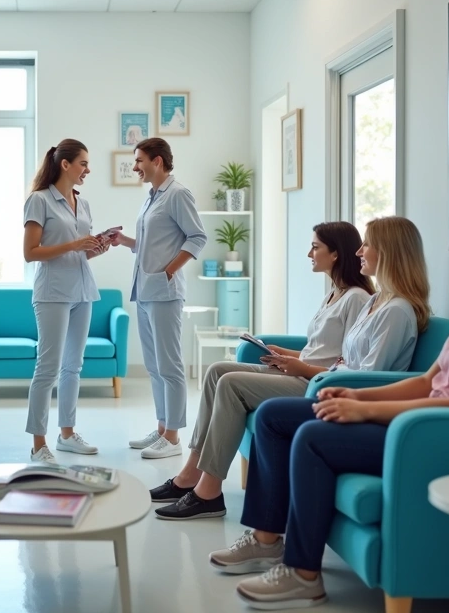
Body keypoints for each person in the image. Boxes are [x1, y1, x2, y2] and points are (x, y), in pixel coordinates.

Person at [210, 204, 449, 609]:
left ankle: (303, 573)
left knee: (312, 436)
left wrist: (367, 411)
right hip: (419, 423)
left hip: (438, 438)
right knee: (273, 417)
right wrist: (356, 395)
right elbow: (429, 381)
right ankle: (265, 539)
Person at [150, 221, 378, 519]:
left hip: (314, 383)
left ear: (335, 254)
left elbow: (346, 361)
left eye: (315, 247)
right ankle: (190, 472)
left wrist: (300, 366)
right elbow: (323, 350)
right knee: (217, 370)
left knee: (230, 384)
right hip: (301, 370)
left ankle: (209, 493)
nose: (310, 253)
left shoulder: (357, 298)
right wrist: (287, 355)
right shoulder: (334, 293)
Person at [109, 137, 207, 459]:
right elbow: (153, 243)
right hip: (145, 290)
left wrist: (169, 270)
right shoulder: (152, 197)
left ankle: (174, 438)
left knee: (170, 365)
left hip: (164, 292)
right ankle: (163, 427)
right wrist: (124, 241)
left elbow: (197, 237)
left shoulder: (178, 194)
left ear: (158, 162)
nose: (135, 167)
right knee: (154, 366)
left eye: (139, 161)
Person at [22, 139, 111, 463]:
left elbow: (78, 250)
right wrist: (74, 244)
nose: (87, 169)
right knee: (47, 369)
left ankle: (67, 434)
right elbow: (30, 252)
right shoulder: (39, 200)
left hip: (83, 291)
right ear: (65, 165)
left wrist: (94, 248)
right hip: (52, 294)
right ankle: (38, 444)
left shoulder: (82, 204)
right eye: (83, 163)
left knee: (73, 367)